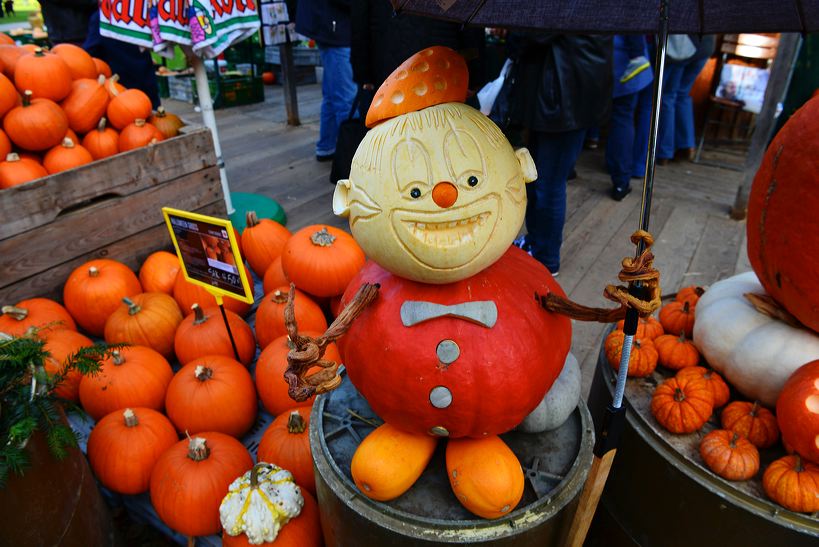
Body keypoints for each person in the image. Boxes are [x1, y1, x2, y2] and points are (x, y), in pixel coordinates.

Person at [504, 33, 613, 276]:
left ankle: (546, 259)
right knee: (539, 180)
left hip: (563, 98)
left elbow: (533, 31)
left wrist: (512, 33)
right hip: (565, 94)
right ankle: (536, 245)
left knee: (549, 184)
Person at [350, 0, 484, 116]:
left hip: (389, 73)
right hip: (443, 71)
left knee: (394, 137)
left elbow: (359, 24)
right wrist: (474, 77)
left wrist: (364, 75)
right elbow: (471, 25)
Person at [296, 0, 357, 162]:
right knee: (347, 98)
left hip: (328, 23)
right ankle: (353, 156)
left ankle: (326, 146)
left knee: (332, 94)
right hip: (333, 26)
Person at [606, 35, 654, 201]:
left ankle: (566, 170)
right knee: (623, 118)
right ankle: (621, 181)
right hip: (625, 62)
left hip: (597, 57)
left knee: (584, 115)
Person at [656, 35, 716, 163]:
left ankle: (664, 151)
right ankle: (686, 145)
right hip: (704, 46)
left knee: (668, 96)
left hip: (684, 47)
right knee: (682, 94)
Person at [83, 11, 161, 108]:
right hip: (145, 80)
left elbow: (89, 53)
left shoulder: (102, 17)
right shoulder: (140, 11)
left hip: (119, 89)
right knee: (151, 114)